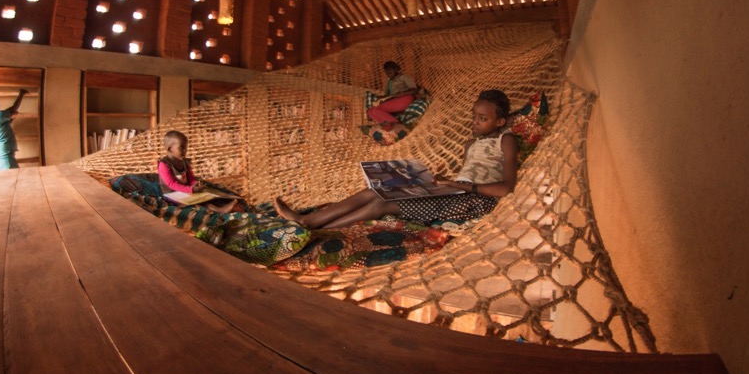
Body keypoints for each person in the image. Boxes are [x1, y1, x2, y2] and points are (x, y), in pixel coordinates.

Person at [277, 89, 518, 229]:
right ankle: (306, 219)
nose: (475, 122)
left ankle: (318, 230)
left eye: (482, 118)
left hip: (474, 201)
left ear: (499, 121)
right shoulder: (470, 144)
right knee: (375, 190)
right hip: (453, 193)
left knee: (382, 204)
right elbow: (465, 175)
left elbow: (505, 188)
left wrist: (460, 185)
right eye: (474, 116)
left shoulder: (505, 140)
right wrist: (446, 181)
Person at [158, 130, 238, 214]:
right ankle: (220, 210)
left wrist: (195, 184)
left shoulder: (185, 162)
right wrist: (191, 189)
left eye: (186, 148)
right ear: (170, 149)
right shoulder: (164, 164)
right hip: (172, 194)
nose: (185, 151)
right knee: (200, 202)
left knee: (207, 195)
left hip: (186, 191)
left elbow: (191, 178)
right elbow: (172, 184)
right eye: (181, 148)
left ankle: (225, 206)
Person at [367, 61, 419, 125]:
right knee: (370, 111)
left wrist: (402, 93)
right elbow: (388, 96)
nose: (388, 74)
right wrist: (379, 97)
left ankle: (397, 125)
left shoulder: (404, 77)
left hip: (405, 98)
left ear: (396, 69)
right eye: (387, 73)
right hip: (394, 100)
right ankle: (387, 125)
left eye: (390, 72)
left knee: (376, 109)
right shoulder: (389, 81)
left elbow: (414, 89)